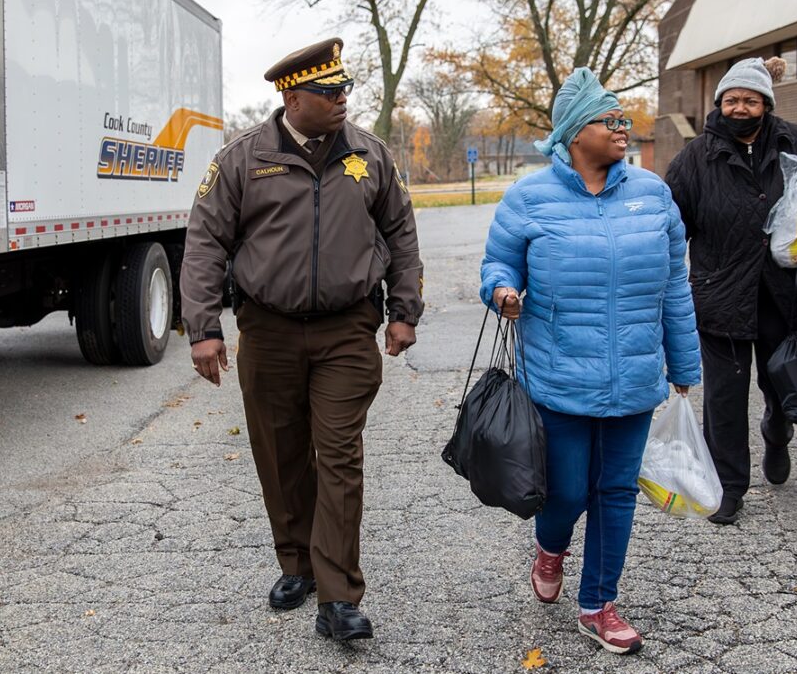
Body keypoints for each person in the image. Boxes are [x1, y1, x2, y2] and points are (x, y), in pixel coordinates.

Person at [180, 38, 424, 641]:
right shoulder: (242, 159)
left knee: (339, 456)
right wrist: (203, 328)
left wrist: (404, 310)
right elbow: (205, 242)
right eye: (329, 91)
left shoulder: (370, 154)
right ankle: (297, 564)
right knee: (281, 453)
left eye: (345, 89)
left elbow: (401, 232)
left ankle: (338, 598)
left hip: (347, 329)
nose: (342, 100)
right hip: (268, 330)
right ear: (292, 98)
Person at [480, 67, 701, 655]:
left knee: (617, 491)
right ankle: (550, 548)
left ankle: (598, 603)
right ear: (576, 132)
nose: (624, 128)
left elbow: (675, 287)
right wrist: (502, 291)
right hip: (558, 376)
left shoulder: (653, 194)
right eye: (611, 120)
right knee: (568, 492)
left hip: (634, 376)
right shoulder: (530, 197)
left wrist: (684, 365)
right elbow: (499, 263)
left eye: (625, 118)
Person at [664, 57, 797, 525]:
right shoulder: (695, 157)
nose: (740, 108)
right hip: (719, 295)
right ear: (720, 103)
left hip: (783, 294)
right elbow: (671, 223)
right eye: (731, 99)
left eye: (750, 100)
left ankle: (777, 428)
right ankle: (728, 487)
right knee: (724, 399)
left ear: (766, 104)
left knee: (780, 382)